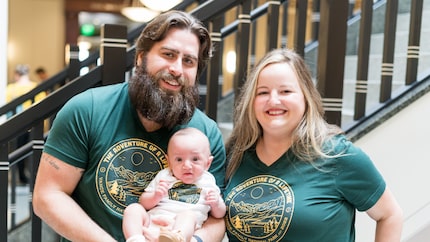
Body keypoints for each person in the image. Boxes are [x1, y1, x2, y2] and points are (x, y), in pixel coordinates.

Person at [33, 10, 226, 242]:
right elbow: (48, 196)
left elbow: (216, 218)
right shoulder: (87, 110)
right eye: (168, 54)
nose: (177, 69)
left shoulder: (206, 135)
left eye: (188, 61)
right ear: (140, 57)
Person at [223, 48, 403, 241]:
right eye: (263, 92)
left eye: (286, 91)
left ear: (305, 97)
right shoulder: (236, 154)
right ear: (251, 101)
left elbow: (390, 215)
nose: (273, 100)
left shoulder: (337, 155)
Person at [123, 128, 226, 242]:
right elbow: (143, 202)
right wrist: (155, 196)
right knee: (133, 209)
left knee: (189, 216)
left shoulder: (207, 181)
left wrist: (216, 204)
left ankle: (176, 238)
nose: (187, 165)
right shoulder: (164, 176)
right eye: (179, 159)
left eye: (195, 159)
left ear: (208, 163)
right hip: (151, 223)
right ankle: (136, 239)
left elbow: (219, 214)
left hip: (182, 231)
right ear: (169, 162)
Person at [7, 64, 46, 184]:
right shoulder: (36, 87)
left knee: (18, 151)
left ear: (17, 75)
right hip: (34, 124)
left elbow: (7, 107)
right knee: (35, 150)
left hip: (18, 125)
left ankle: (22, 176)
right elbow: (43, 106)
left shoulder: (10, 88)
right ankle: (35, 176)